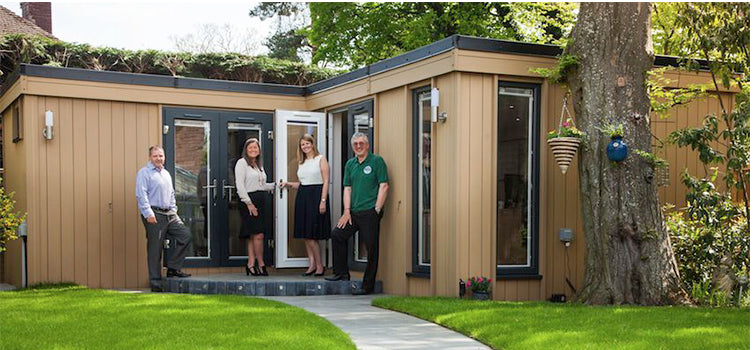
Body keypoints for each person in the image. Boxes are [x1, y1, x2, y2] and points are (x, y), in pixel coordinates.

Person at [325, 132, 389, 295]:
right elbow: (347, 188)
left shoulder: (377, 161)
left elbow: (384, 186)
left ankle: (367, 286)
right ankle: (342, 273)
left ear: (367, 145)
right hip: (353, 212)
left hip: (370, 212)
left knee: (371, 248)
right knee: (337, 234)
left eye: (362, 143)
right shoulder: (350, 164)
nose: (359, 146)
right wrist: (346, 211)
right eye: (356, 144)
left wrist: (377, 209)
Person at [135, 145, 192, 293]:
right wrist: (148, 213)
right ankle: (156, 284)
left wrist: (174, 210)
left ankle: (173, 268)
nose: (159, 158)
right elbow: (141, 195)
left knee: (185, 236)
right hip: (154, 214)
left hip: (170, 214)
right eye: (156, 156)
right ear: (150, 157)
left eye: (161, 156)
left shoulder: (166, 173)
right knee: (155, 249)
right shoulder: (144, 173)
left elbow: (172, 194)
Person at [280, 134, 331, 277]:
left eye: (307, 143)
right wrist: (288, 184)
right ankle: (312, 265)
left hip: (316, 197)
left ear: (312, 144)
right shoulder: (301, 162)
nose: (305, 146)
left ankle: (320, 266)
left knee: (312, 235)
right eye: (302, 144)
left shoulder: (321, 159)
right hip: (303, 197)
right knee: (305, 234)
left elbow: (326, 181)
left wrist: (323, 201)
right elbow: (303, 184)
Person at [235, 138, 276, 276]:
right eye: (250, 148)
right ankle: (261, 264)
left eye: (256, 148)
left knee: (253, 235)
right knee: (258, 235)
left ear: (259, 150)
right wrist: (249, 203)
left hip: (261, 200)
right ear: (246, 150)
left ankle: (251, 265)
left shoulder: (258, 164)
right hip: (249, 202)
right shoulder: (242, 163)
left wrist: (276, 185)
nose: (253, 150)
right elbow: (240, 185)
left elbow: (262, 185)